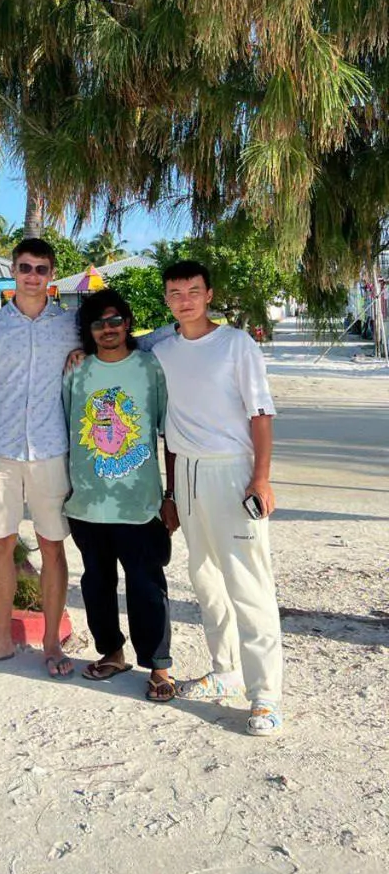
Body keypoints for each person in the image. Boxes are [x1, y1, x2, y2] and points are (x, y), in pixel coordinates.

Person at [154, 260, 284, 736]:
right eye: (175, 292)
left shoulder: (236, 344)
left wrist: (261, 478)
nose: (184, 299)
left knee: (248, 584)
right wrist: (170, 493)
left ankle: (265, 695)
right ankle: (225, 670)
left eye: (193, 290)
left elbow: (261, 414)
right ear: (167, 298)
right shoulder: (162, 347)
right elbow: (119, 345)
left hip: (231, 471)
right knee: (205, 579)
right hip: (185, 473)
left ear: (209, 294)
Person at [0, 237, 81, 676]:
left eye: (41, 269)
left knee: (53, 546)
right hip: (1, 453)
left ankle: (51, 644)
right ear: (13, 271)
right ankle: (3, 639)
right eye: (25, 267)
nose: (32, 276)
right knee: (0, 545)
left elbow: (119, 341)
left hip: (51, 451)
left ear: (51, 275)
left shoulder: (69, 327)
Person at [63, 289, 175, 701]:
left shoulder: (149, 367)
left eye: (114, 321)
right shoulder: (77, 370)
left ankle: (160, 667)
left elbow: (169, 432)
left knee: (147, 584)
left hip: (139, 502)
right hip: (88, 502)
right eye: (98, 323)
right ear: (87, 331)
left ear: (127, 323)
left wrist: (171, 496)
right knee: (96, 583)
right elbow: (66, 427)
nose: (107, 329)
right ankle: (112, 652)